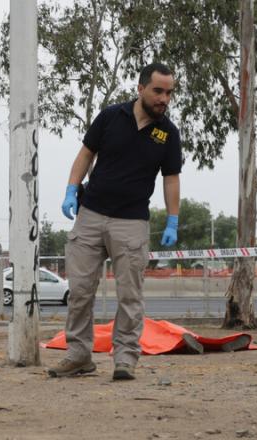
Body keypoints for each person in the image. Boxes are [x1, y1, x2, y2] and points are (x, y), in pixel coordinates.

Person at [49, 62, 182, 381]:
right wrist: (70, 189)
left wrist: (172, 221)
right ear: (140, 89)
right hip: (91, 215)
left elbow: (171, 179)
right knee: (80, 290)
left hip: (132, 223)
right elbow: (85, 154)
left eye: (169, 93)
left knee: (130, 295)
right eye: (158, 91)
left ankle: (125, 359)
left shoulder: (168, 134)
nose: (164, 99)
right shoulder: (111, 116)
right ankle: (79, 355)